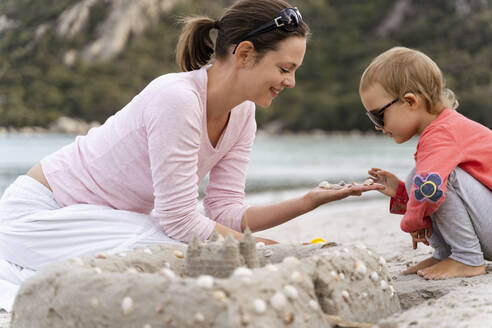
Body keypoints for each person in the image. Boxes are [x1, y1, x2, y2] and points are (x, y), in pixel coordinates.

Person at [0, 0, 382, 311]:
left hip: (105, 218)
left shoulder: (243, 114)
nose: (290, 82)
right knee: (173, 244)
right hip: (40, 215)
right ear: (245, 53)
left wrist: (307, 201)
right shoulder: (177, 98)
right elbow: (180, 220)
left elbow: (224, 213)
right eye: (284, 68)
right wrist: (278, 254)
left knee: (189, 245)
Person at [359, 46, 492, 280]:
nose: (377, 126)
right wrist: (401, 192)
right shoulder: (443, 129)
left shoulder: (442, 134)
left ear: (410, 101)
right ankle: (446, 253)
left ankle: (467, 257)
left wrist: (413, 222)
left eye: (378, 116)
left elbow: (430, 192)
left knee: (434, 179)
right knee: (419, 177)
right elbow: (428, 190)